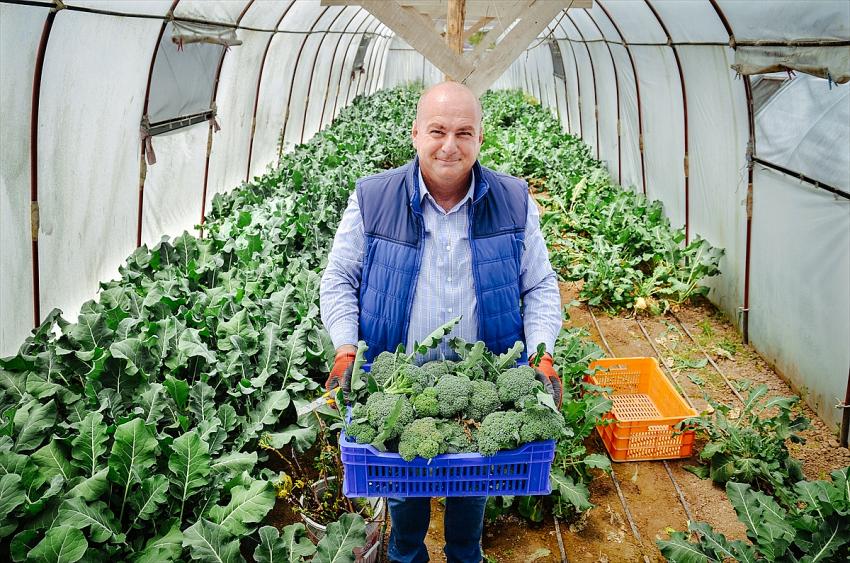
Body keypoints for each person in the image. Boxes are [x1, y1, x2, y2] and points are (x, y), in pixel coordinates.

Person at [319, 81, 562, 563]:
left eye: (463, 133)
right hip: (400, 388)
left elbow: (540, 286)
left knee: (470, 496)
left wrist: (542, 353)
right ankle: (407, 551)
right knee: (405, 495)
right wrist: (346, 348)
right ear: (414, 134)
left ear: (480, 140)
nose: (449, 145)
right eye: (437, 131)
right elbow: (339, 278)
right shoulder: (374, 197)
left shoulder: (514, 200)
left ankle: (464, 553)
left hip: (479, 387)